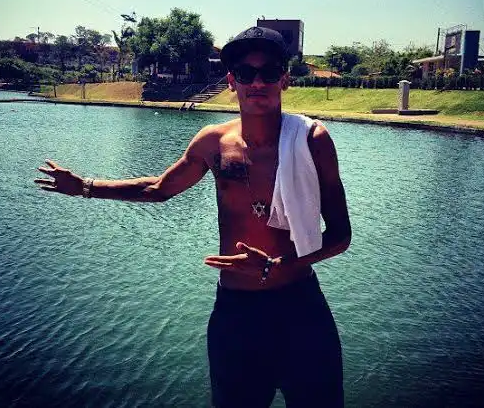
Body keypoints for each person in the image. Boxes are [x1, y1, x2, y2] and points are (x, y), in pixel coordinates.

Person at [35, 26, 352, 408]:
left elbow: (340, 234)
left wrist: (278, 265)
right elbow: (159, 188)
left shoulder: (312, 141)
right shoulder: (213, 142)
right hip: (236, 313)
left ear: (284, 79)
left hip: (300, 307)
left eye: (269, 72)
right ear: (232, 81)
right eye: (246, 73)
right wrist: (86, 186)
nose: (258, 82)